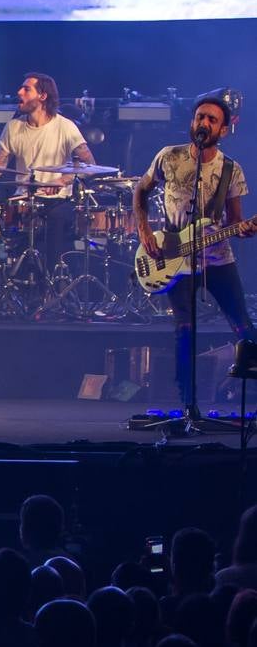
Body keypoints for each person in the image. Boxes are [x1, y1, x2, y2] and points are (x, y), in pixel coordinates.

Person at [135, 93, 257, 411]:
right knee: (185, 330)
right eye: (200, 116)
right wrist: (144, 230)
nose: (204, 122)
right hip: (173, 258)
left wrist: (244, 229)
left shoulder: (231, 169)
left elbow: (235, 221)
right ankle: (188, 405)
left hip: (218, 258)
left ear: (224, 129)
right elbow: (140, 191)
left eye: (212, 119)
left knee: (243, 325)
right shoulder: (169, 156)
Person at [0, 72, 96, 268]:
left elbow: (90, 165)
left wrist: (62, 180)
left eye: (26, 89)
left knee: (56, 218)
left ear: (43, 96)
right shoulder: (13, 127)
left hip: (58, 200)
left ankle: (53, 278)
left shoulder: (65, 127)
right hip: (23, 199)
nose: (19, 92)